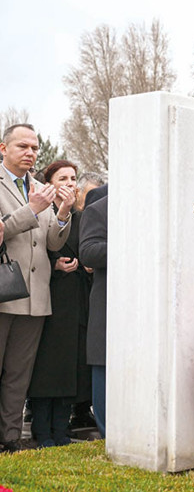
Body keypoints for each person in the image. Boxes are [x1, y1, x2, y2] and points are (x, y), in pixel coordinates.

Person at [0, 124, 73, 453]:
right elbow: (4, 230)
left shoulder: (42, 188)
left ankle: (11, 438)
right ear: (4, 149)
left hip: (35, 298)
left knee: (19, 376)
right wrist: (33, 209)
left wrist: (62, 213)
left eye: (35, 147)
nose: (30, 153)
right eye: (22, 146)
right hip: (4, 294)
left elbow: (53, 243)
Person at [26, 161, 92, 448]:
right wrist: (55, 265)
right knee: (45, 367)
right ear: (48, 183)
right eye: (62, 178)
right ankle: (41, 429)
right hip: (46, 297)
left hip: (74, 300)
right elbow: (34, 249)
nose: (69, 183)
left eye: (73, 178)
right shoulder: (41, 213)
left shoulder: (83, 217)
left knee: (68, 366)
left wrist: (84, 265)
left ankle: (61, 428)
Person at [79, 193, 108, 437]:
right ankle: (108, 431)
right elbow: (88, 251)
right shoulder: (98, 209)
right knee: (105, 365)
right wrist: (130, 245)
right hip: (109, 303)